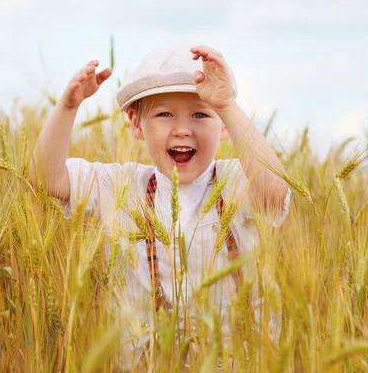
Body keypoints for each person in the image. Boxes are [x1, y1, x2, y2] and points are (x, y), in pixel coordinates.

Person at [30, 41, 291, 370]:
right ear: (137, 124)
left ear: (223, 126)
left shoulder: (237, 182)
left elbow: (274, 194)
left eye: (200, 114)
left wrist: (226, 104)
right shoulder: (122, 187)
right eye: (164, 114)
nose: (182, 128)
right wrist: (67, 108)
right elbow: (46, 179)